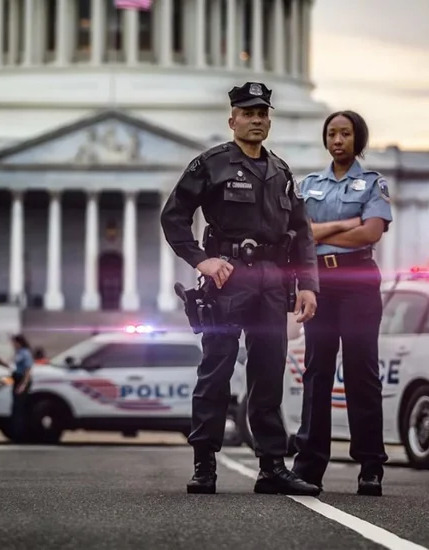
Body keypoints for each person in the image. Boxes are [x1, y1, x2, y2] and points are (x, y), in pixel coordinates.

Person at [160, 81, 321, 496]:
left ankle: (272, 467)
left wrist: (307, 285)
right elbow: (173, 216)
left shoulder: (281, 172)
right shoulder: (211, 165)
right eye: (248, 114)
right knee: (216, 371)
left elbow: (302, 233)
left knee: (268, 375)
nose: (256, 120)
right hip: (227, 280)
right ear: (232, 121)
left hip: (273, 282)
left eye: (262, 114)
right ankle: (204, 464)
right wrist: (201, 259)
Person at [290, 110, 393, 497]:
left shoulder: (373, 183)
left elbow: (370, 233)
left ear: (357, 139)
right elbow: (299, 235)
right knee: (316, 371)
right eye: (332, 133)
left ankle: (370, 466)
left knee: (361, 371)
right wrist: (345, 224)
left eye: (345, 134)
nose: (337, 140)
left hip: (358, 280)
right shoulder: (309, 184)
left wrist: (321, 233)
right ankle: (309, 466)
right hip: (318, 282)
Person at [10, 334, 35, 443]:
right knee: (16, 407)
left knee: (20, 407)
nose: (13, 345)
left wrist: (23, 385)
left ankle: (21, 434)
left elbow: (27, 370)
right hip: (16, 379)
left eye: (14, 342)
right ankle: (16, 432)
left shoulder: (25, 353)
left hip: (22, 380)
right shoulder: (18, 353)